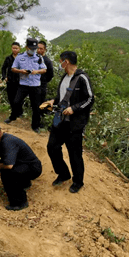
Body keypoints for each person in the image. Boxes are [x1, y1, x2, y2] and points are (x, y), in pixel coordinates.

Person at [40, 51, 94, 194]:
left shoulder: (82, 78)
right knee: (52, 147)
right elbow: (61, 97)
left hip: (74, 124)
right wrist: (52, 101)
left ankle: (78, 181)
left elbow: (90, 99)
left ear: (67, 62)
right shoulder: (64, 77)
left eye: (61, 61)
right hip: (60, 120)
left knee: (74, 153)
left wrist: (74, 109)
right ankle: (63, 173)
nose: (59, 64)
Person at [0, 120, 42, 211]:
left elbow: (9, 165)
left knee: (7, 173)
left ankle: (19, 203)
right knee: (5, 164)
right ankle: (25, 183)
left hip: (33, 168)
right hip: (24, 164)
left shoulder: (7, 142)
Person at [4, 38, 47, 132]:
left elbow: (44, 69)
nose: (33, 50)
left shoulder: (39, 57)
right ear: (27, 47)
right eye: (31, 48)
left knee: (36, 106)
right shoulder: (20, 57)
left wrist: (37, 71)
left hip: (35, 85)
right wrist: (21, 71)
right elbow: (13, 68)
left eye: (34, 48)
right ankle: (13, 116)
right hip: (23, 84)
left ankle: (35, 126)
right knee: (16, 102)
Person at [37, 40, 54, 128]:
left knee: (41, 104)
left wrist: (43, 81)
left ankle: (40, 123)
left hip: (42, 85)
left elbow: (51, 74)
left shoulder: (47, 61)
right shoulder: (34, 58)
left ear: (45, 50)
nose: (39, 50)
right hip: (33, 85)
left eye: (41, 48)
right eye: (38, 48)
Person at [1, 42, 21, 112]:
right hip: (10, 81)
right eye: (13, 48)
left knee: (19, 97)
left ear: (19, 49)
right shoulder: (8, 58)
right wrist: (4, 77)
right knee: (11, 97)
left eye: (16, 48)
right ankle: (13, 111)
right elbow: (3, 68)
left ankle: (19, 112)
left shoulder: (22, 58)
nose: (15, 50)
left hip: (20, 81)